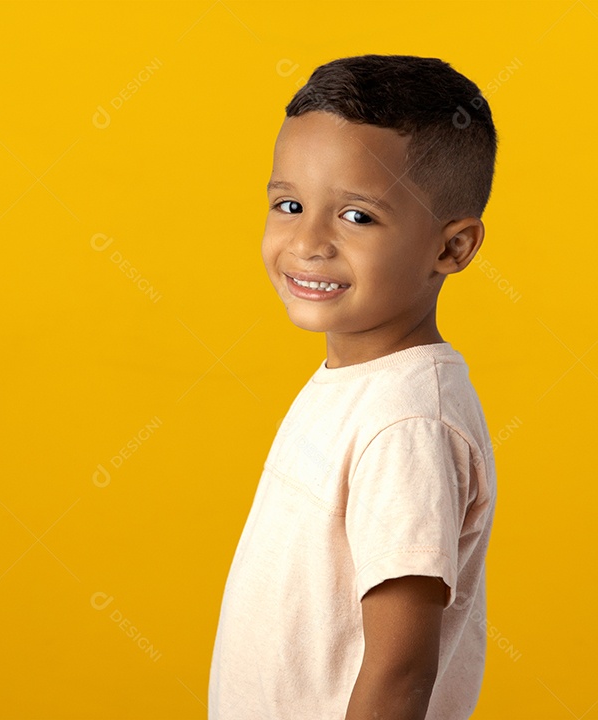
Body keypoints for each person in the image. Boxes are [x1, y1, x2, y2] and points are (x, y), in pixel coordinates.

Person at [207, 54, 499, 720]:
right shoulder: (358, 382)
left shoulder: (407, 422)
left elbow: (400, 670)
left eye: (357, 217)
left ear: (452, 248)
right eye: (289, 205)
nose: (308, 242)